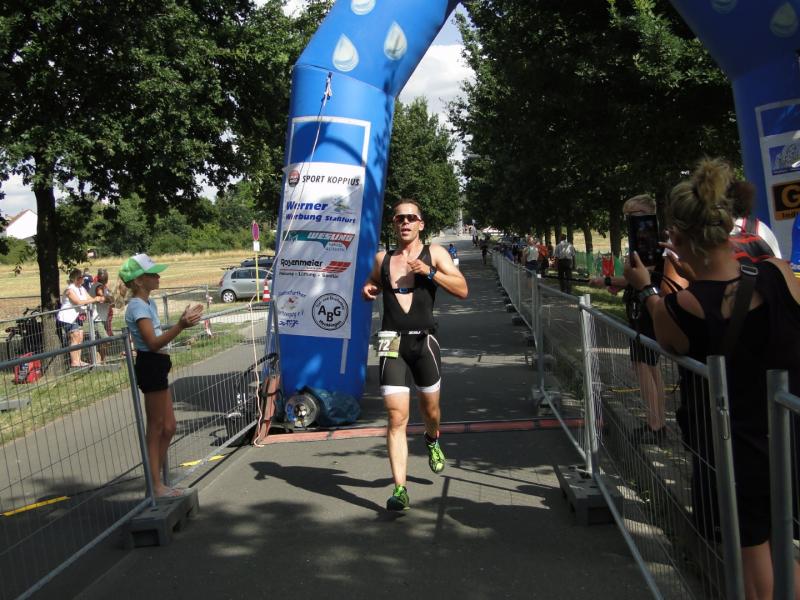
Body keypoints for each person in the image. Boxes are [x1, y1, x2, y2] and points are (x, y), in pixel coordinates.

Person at [625, 157, 800, 599]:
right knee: (788, 548)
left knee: (755, 564)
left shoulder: (687, 306)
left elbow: (666, 333)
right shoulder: (778, 274)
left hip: (736, 447)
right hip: (789, 432)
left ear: (679, 239)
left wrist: (647, 287)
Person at [362, 199, 468, 511]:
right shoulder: (382, 259)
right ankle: (400, 489)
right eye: (399, 219)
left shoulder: (435, 253)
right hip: (390, 341)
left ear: (420, 223)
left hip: (424, 342)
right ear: (393, 225)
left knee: (430, 410)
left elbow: (462, 289)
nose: (405, 223)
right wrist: (368, 288)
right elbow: (371, 282)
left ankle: (432, 439)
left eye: (411, 218)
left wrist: (430, 273)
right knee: (396, 416)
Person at [119, 253, 203, 498]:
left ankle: (156, 480)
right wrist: (181, 325)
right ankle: (154, 485)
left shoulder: (149, 304)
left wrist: (182, 323)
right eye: (152, 274)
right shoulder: (137, 306)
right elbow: (153, 343)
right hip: (151, 365)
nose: (158, 276)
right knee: (156, 427)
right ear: (138, 281)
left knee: (169, 426)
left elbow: (156, 339)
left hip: (158, 364)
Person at [590, 195, 673, 444]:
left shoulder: (650, 243)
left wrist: (607, 280)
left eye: (634, 215)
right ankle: (657, 422)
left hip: (647, 309)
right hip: (644, 306)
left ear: (647, 214)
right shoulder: (647, 241)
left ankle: (655, 425)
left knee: (644, 366)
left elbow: (638, 277)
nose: (629, 220)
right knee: (649, 367)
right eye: (627, 216)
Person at [57, 268, 98, 368]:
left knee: (80, 335)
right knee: (75, 336)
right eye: (81, 277)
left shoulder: (81, 288)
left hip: (76, 317)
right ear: (76, 279)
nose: (83, 278)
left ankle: (79, 360)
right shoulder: (69, 290)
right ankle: (74, 362)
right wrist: (95, 299)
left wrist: (97, 299)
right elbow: (78, 302)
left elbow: (89, 298)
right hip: (67, 318)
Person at [89, 268, 113, 363]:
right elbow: (102, 297)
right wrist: (111, 299)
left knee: (101, 341)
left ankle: (101, 360)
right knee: (107, 339)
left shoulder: (102, 286)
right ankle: (98, 360)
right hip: (97, 318)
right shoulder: (98, 286)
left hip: (103, 317)